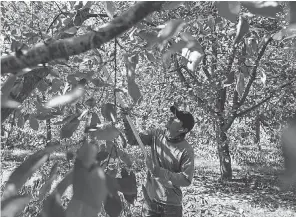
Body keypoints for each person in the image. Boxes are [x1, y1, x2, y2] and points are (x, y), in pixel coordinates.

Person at [129, 105, 195, 217]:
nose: (171, 118)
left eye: (176, 118)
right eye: (173, 115)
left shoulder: (186, 150)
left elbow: (186, 179)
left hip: (171, 206)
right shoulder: (157, 134)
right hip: (150, 200)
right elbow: (133, 139)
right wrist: (126, 119)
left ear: (183, 129)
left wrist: (157, 171)